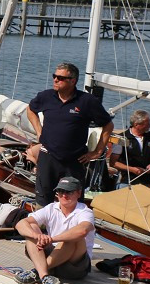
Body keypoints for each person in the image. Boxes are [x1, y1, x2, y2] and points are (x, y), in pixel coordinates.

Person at [26, 62, 113, 206]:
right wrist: (39, 131)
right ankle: (42, 228)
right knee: (42, 200)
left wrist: (97, 151)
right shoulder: (46, 96)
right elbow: (30, 109)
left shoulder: (87, 101)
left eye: (60, 78)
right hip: (48, 157)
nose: (55, 80)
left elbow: (108, 125)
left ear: (73, 81)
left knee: (73, 201)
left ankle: (71, 226)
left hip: (74, 161)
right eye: (55, 76)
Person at [13, 175, 94, 284]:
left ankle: (37, 272)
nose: (64, 195)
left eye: (69, 192)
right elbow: (20, 224)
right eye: (60, 191)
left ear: (78, 193)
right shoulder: (51, 208)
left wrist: (51, 239)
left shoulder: (85, 212)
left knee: (74, 237)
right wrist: (37, 236)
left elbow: (82, 231)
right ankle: (45, 276)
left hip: (74, 266)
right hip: (53, 256)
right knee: (31, 228)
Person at [109, 109, 150, 187]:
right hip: (126, 182)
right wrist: (132, 169)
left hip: (147, 182)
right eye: (147, 124)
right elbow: (113, 162)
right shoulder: (122, 138)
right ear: (136, 125)